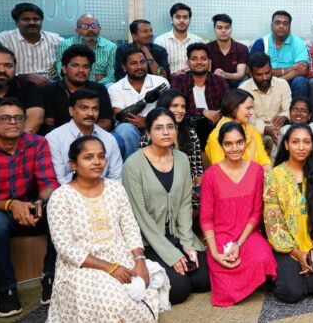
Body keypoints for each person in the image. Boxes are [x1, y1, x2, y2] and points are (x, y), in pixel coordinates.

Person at [46, 135, 167, 322]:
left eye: (101, 156)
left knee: (142, 290)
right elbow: (65, 247)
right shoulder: (61, 197)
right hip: (82, 267)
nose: (97, 162)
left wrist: (140, 261)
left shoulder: (115, 189)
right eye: (88, 157)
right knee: (115, 303)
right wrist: (109, 268)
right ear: (73, 164)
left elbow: (130, 227)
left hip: (120, 258)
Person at [121, 108, 210, 305]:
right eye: (159, 128)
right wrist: (171, 255)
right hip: (150, 239)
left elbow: (185, 205)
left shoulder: (182, 159)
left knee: (204, 280)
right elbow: (140, 217)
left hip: (177, 234)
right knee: (178, 290)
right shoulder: (133, 165)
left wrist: (187, 244)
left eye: (170, 127)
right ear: (148, 132)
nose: (166, 132)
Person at [200, 121, 277, 307]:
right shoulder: (210, 175)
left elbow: (256, 212)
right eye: (228, 144)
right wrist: (214, 252)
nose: (235, 148)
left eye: (239, 142)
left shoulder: (256, 170)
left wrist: (239, 243)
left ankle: (252, 279)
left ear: (245, 142)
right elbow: (206, 218)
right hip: (221, 235)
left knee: (262, 257)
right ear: (221, 145)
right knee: (223, 266)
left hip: (248, 234)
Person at [0, 98, 59, 316]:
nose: (13, 122)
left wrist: (40, 202)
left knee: (59, 209)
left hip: (30, 204)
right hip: (0, 209)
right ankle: (6, 288)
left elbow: (49, 182)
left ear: (25, 121)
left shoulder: (37, 143)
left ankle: (51, 276)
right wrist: (10, 205)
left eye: (18, 117)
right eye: (5, 118)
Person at [264, 124, 313, 303]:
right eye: (295, 142)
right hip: (287, 246)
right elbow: (274, 222)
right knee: (291, 293)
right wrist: (298, 254)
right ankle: (298, 277)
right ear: (286, 145)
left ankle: (308, 277)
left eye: (306, 142)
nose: (301, 147)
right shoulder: (275, 176)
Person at [139, 89, 204, 210]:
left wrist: (198, 184)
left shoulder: (190, 133)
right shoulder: (150, 136)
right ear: (164, 108)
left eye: (183, 107)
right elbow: (144, 173)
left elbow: (197, 168)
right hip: (159, 192)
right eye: (175, 106)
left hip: (189, 192)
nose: (180, 110)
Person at [46, 89, 123, 185]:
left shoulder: (109, 139)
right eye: (84, 108)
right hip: (68, 192)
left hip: (104, 192)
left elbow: (116, 178)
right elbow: (59, 179)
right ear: (71, 111)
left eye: (95, 108)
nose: (91, 113)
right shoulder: (54, 138)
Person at [109, 48, 170, 159]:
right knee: (125, 130)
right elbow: (120, 116)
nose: (139, 67)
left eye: (142, 62)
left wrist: (148, 122)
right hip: (130, 129)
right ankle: (132, 167)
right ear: (124, 67)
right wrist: (145, 101)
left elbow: (168, 112)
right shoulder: (115, 88)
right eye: (133, 63)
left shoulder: (161, 82)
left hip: (157, 127)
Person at [42, 44, 113, 133]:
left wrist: (83, 135)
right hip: (59, 138)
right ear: (64, 69)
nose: (81, 70)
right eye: (75, 65)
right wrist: (73, 135)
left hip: (93, 137)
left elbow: (106, 122)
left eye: (86, 67)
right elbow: (48, 124)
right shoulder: (50, 90)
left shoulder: (99, 89)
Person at [170, 43, 229, 147]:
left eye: (203, 59)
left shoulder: (219, 81)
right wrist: (203, 111)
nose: (199, 62)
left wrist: (218, 114)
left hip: (215, 129)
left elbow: (229, 107)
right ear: (187, 63)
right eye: (194, 59)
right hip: (187, 129)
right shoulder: (179, 81)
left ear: (209, 62)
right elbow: (172, 107)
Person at [271, 98, 313, 176]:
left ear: (309, 115)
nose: (298, 113)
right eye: (295, 110)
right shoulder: (283, 131)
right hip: (289, 175)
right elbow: (276, 158)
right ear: (290, 113)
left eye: (304, 111)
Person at [205, 89, 272, 169]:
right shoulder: (216, 136)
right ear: (234, 108)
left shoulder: (252, 130)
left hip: (258, 174)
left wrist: (267, 171)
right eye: (248, 108)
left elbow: (263, 158)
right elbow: (221, 170)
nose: (251, 113)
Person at [249, 10, 310, 98]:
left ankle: (297, 107)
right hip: (265, 80)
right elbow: (255, 71)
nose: (281, 26)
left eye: (285, 23)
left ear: (289, 27)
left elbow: (303, 69)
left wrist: (279, 81)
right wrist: (288, 69)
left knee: (300, 81)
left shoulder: (298, 42)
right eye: (277, 23)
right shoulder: (262, 43)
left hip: (290, 80)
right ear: (271, 26)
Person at [0, 2, 61, 85]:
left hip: (50, 86)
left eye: (36, 19)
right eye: (26, 19)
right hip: (17, 86)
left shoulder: (56, 40)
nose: (32, 23)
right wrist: (24, 77)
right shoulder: (3, 40)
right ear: (16, 22)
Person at [239, 52, 291, 144]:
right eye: (259, 75)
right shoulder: (243, 90)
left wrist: (284, 117)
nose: (264, 78)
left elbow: (288, 110)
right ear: (250, 74)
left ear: (271, 69)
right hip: (253, 134)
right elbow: (247, 121)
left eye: (267, 73)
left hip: (278, 130)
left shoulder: (282, 84)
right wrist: (265, 129)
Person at [55, 13, 117, 85]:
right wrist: (95, 78)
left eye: (94, 25)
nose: (90, 29)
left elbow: (111, 77)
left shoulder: (111, 47)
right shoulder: (65, 45)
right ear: (77, 30)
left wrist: (93, 85)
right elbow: (62, 73)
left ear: (99, 28)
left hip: (102, 86)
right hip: (73, 85)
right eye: (85, 26)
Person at [0, 44, 44, 134]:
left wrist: (14, 138)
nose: (2, 70)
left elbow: (35, 119)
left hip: (21, 139)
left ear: (15, 68)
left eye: (8, 65)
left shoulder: (28, 87)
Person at [154, 3, 206, 75]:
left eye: (185, 17)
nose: (181, 20)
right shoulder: (160, 41)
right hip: (169, 81)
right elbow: (156, 68)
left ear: (190, 20)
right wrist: (172, 75)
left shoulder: (199, 41)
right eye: (177, 17)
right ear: (171, 19)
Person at [207, 13, 248, 89]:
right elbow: (206, 72)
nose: (223, 31)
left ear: (231, 29)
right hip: (213, 85)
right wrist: (214, 75)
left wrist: (224, 74)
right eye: (219, 28)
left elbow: (240, 74)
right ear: (214, 29)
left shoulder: (242, 48)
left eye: (227, 28)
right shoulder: (207, 48)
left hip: (235, 87)